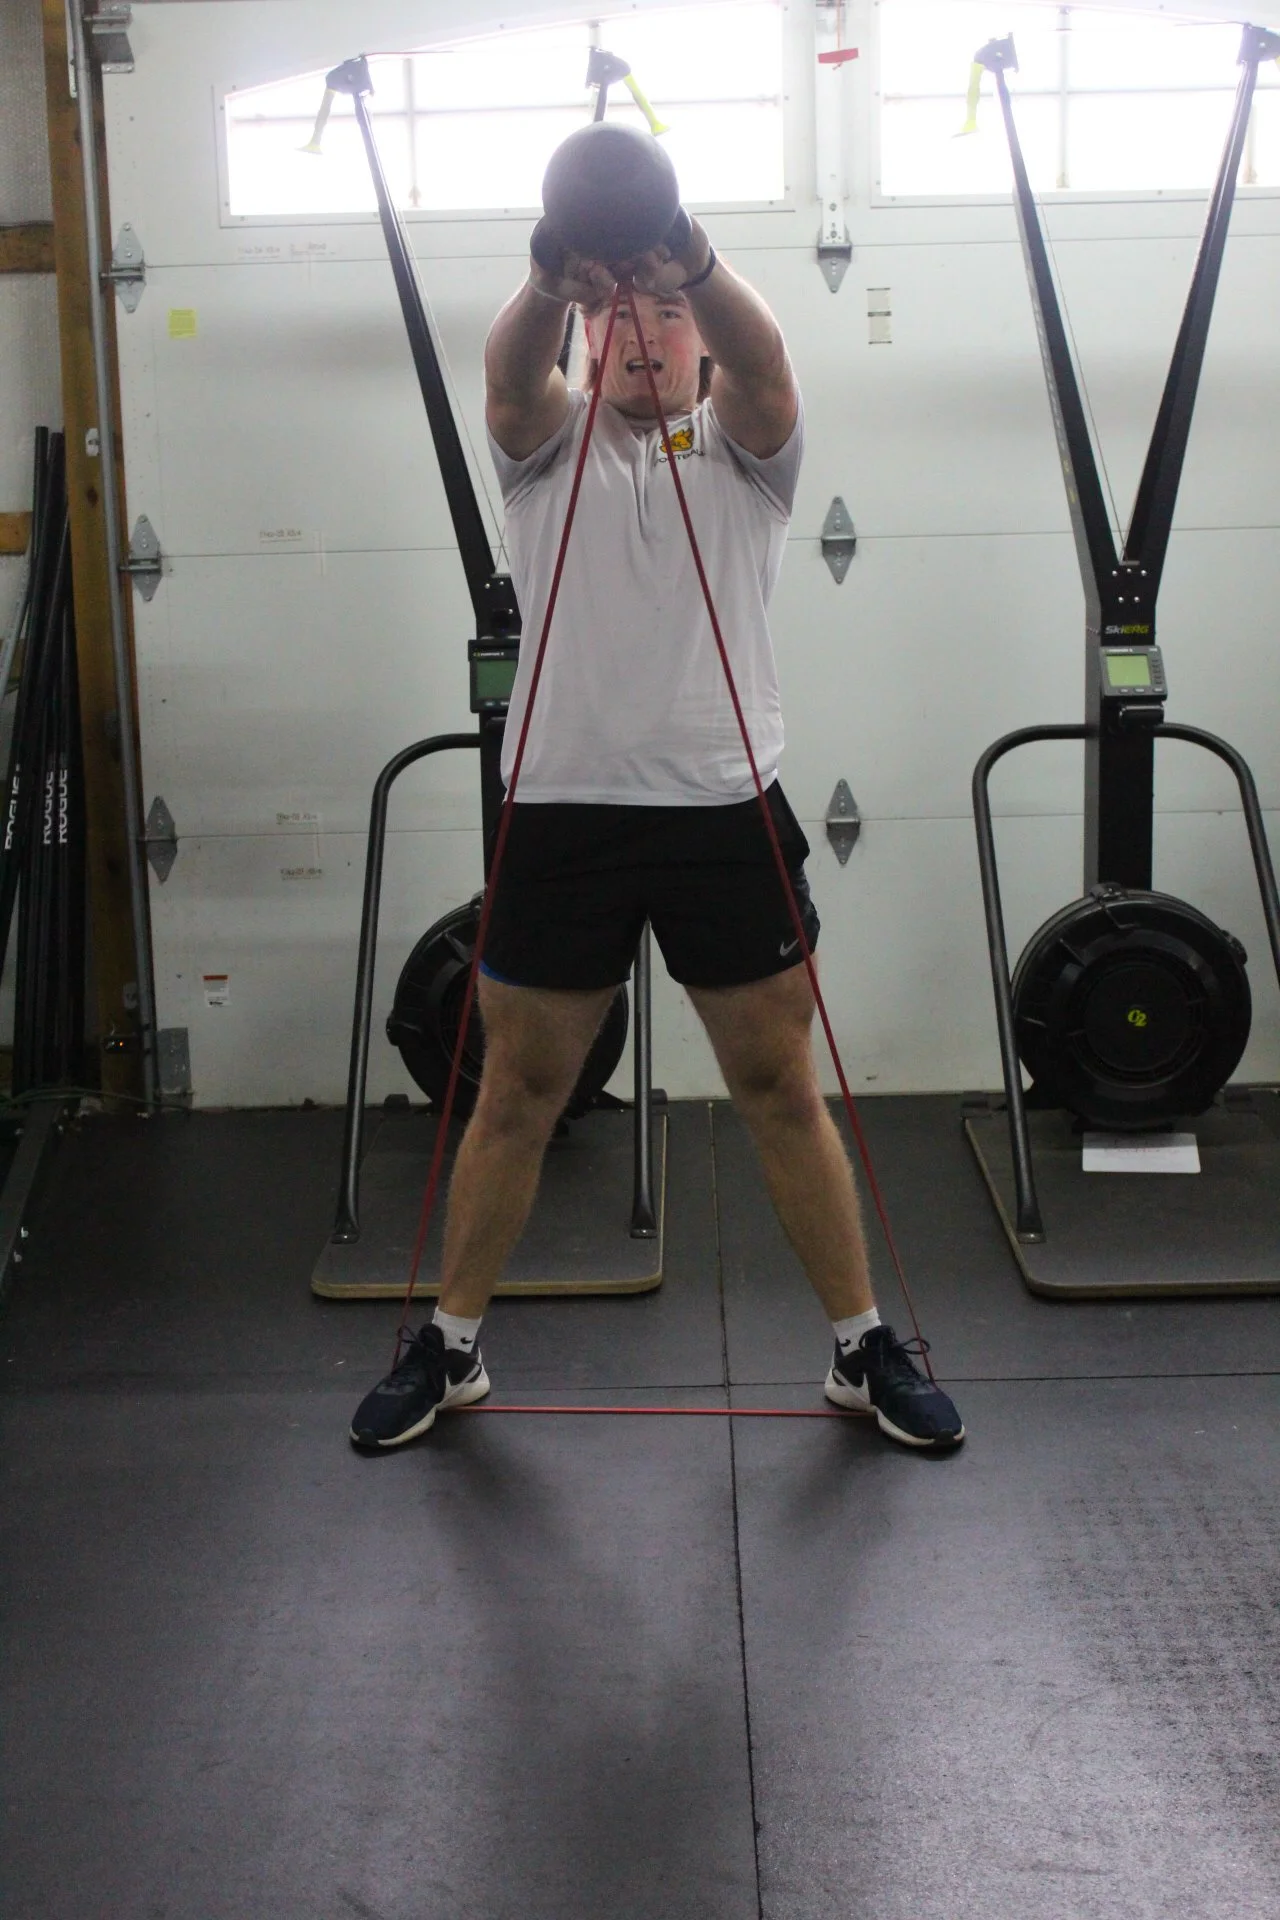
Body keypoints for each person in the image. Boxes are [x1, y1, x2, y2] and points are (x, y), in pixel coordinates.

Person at [350, 209, 965, 1454]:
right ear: (588, 338)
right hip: (562, 813)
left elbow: (770, 355)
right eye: (613, 316)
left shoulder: (746, 451)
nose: (641, 332)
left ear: (698, 342)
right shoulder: (541, 450)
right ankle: (450, 1348)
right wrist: (543, 277)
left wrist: (681, 255)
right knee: (518, 1089)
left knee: (776, 1087)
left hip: (721, 807)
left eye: (666, 315)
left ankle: (860, 1349)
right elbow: (510, 377)